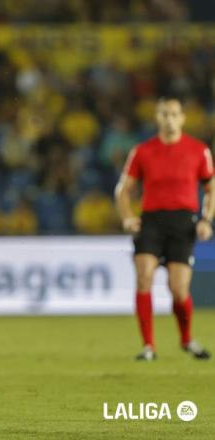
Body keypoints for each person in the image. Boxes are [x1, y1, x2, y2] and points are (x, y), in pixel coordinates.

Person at [115, 96, 214, 361]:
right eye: (164, 114)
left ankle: (186, 339)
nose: (169, 119)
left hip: (183, 223)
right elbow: (123, 190)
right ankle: (148, 346)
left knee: (178, 288)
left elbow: (210, 187)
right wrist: (127, 217)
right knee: (144, 276)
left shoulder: (198, 150)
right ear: (157, 118)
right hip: (152, 222)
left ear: (182, 118)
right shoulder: (143, 151)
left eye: (173, 114)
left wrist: (206, 219)